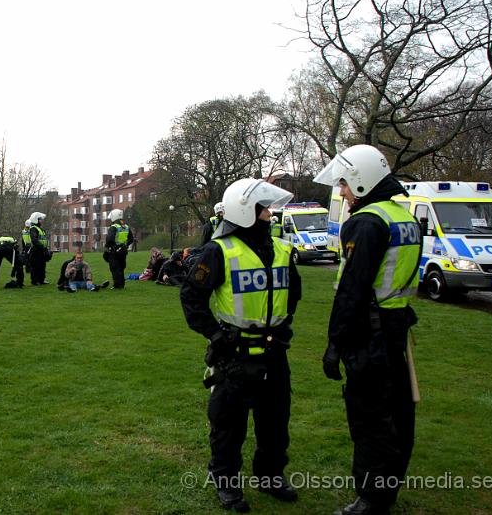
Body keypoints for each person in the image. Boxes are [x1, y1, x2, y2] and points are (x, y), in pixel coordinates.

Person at [180, 178, 301, 513]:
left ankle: (271, 476)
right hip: (235, 353)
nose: (271, 215)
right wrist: (217, 336)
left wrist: (283, 324)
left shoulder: (280, 248)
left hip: (274, 350)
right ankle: (226, 481)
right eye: (265, 209)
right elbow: (192, 298)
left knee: (275, 420)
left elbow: (293, 292)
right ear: (246, 211)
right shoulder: (219, 251)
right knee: (228, 425)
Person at [314, 144, 421, 515]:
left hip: (370, 333)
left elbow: (352, 291)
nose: (341, 191)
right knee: (399, 415)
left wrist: (335, 344)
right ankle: (387, 490)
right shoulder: (402, 217)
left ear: (361, 182)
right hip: (395, 328)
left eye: (344, 183)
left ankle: (371, 498)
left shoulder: (366, 222)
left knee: (370, 417)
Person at [104, 208, 134, 289]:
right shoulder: (126, 226)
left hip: (114, 251)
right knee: (121, 268)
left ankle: (117, 285)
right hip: (123, 251)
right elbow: (131, 239)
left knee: (114, 268)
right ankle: (122, 285)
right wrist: (125, 245)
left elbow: (110, 239)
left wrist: (109, 247)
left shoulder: (114, 227)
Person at [28, 212, 50, 285]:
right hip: (36, 250)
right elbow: (34, 240)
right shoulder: (33, 229)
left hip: (41, 250)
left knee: (42, 265)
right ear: (36, 220)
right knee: (35, 266)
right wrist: (42, 247)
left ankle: (41, 280)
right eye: (40, 219)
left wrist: (45, 248)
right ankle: (35, 281)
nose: (41, 220)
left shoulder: (40, 229)